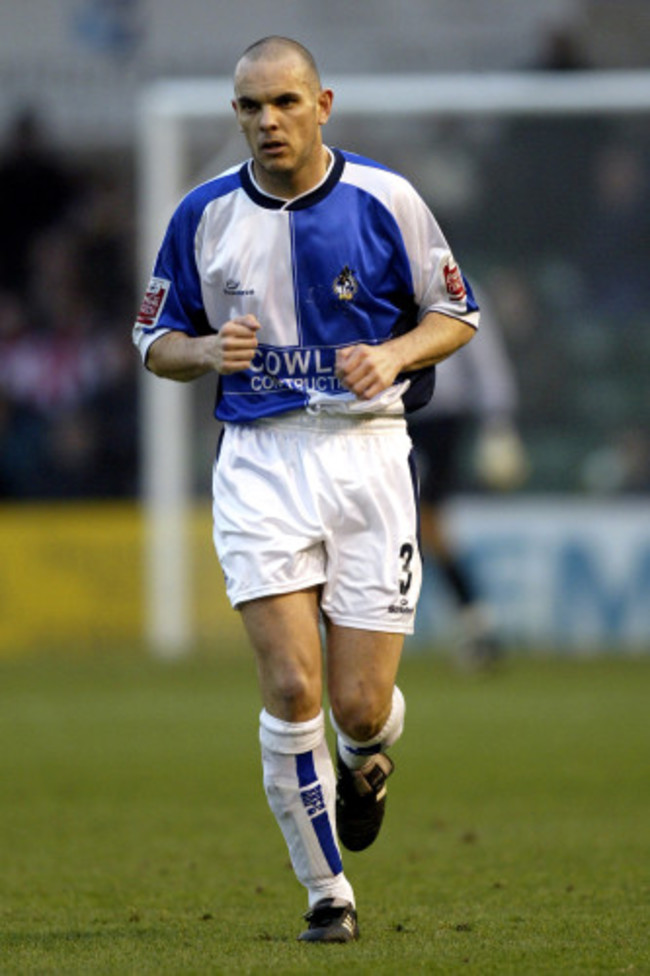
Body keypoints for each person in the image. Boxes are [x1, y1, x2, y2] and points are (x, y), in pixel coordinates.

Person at [132, 36, 479, 943]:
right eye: (249, 107)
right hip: (258, 456)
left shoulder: (386, 198)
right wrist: (206, 351)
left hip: (368, 455)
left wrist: (395, 353)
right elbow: (154, 338)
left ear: (323, 104)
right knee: (293, 687)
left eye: (284, 103)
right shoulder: (202, 214)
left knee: (360, 707)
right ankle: (328, 893)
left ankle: (367, 758)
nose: (267, 122)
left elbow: (457, 311)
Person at [408, 291, 528, 667]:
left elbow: (485, 354)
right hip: (389, 415)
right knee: (419, 522)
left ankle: (477, 622)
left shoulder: (453, 283)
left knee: (425, 520)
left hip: (438, 419)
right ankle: (476, 621)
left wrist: (497, 421)